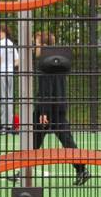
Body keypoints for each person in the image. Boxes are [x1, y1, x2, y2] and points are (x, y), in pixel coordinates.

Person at [32, 31, 90, 185]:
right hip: (59, 105)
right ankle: (81, 169)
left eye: (36, 44)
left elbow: (46, 89)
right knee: (61, 139)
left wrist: (43, 112)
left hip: (47, 109)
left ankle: (81, 169)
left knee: (33, 139)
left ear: (44, 46)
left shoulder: (45, 65)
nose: (33, 48)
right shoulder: (60, 63)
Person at [0, 24, 18, 135]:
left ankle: (3, 127)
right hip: (10, 72)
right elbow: (17, 61)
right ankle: (10, 126)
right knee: (10, 98)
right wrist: (10, 65)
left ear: (3, 32)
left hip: (1, 72)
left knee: (3, 98)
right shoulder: (11, 44)